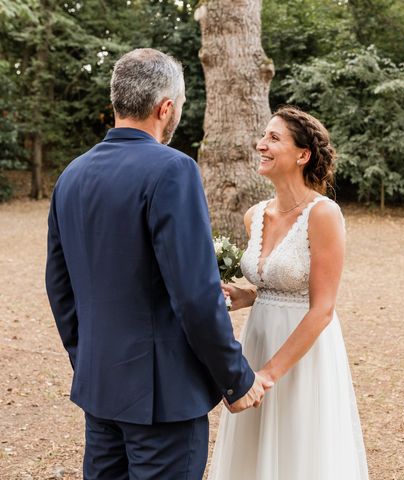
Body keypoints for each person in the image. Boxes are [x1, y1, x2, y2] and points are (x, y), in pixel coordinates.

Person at [45, 48, 271, 479]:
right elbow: (195, 295)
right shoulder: (172, 170)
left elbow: (60, 288)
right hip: (164, 401)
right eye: (179, 107)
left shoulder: (70, 176)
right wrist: (236, 378)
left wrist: (92, 360)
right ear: (165, 108)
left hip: (101, 390)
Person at [209, 106, 369, 480]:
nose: (261, 145)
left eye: (273, 138)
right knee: (253, 451)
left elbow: (323, 309)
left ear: (302, 155)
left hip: (303, 353)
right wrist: (240, 295)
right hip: (258, 339)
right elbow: (269, 285)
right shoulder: (255, 216)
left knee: (301, 450)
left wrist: (267, 375)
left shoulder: (323, 214)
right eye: (264, 136)